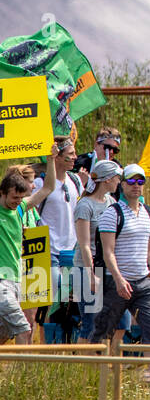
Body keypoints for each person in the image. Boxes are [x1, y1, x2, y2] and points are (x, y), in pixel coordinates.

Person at [90, 165, 150, 377]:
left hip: (143, 282)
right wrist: (120, 280)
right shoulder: (111, 214)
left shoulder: (148, 211)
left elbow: (149, 248)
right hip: (116, 282)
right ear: (121, 184)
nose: (136, 186)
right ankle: (95, 379)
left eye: (141, 182)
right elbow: (108, 253)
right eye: (131, 181)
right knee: (103, 330)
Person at [74, 159, 125, 344]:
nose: (119, 181)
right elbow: (84, 244)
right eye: (117, 177)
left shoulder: (111, 202)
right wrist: (91, 274)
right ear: (107, 180)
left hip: (106, 267)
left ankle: (107, 367)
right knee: (90, 322)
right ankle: (83, 370)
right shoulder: (84, 205)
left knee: (117, 321)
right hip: (85, 268)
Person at [32, 136, 81, 329]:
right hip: (47, 251)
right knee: (45, 301)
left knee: (66, 302)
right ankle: (42, 348)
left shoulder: (76, 181)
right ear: (57, 157)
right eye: (71, 154)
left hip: (70, 251)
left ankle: (59, 348)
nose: (76, 157)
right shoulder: (39, 183)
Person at [0, 169, 43, 345]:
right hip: (1, 281)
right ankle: (23, 372)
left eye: (20, 198)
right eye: (14, 198)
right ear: (2, 193)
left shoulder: (20, 210)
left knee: (5, 334)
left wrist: (50, 161)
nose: (18, 202)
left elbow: (48, 188)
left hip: (16, 279)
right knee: (24, 329)